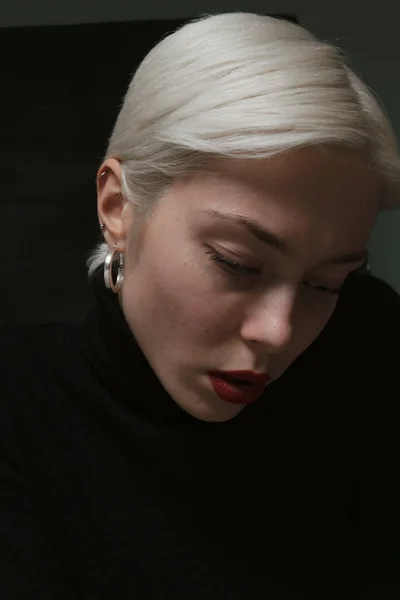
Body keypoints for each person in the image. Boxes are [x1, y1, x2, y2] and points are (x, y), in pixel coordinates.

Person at [1, 11, 400, 599]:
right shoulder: (17, 411)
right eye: (236, 262)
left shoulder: (369, 348)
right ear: (117, 206)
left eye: (326, 283)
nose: (278, 332)